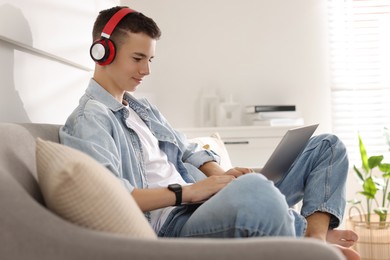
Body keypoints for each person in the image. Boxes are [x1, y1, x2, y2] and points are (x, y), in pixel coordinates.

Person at [59, 6, 360, 260]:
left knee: (327, 147)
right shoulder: (90, 120)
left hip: (203, 203)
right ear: (103, 51)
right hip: (172, 225)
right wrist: (189, 192)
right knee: (256, 189)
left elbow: (189, 150)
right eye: (138, 59)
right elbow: (113, 195)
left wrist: (222, 176)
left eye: (149, 60)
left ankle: (315, 239)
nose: (146, 71)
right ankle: (308, 237)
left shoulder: (142, 108)